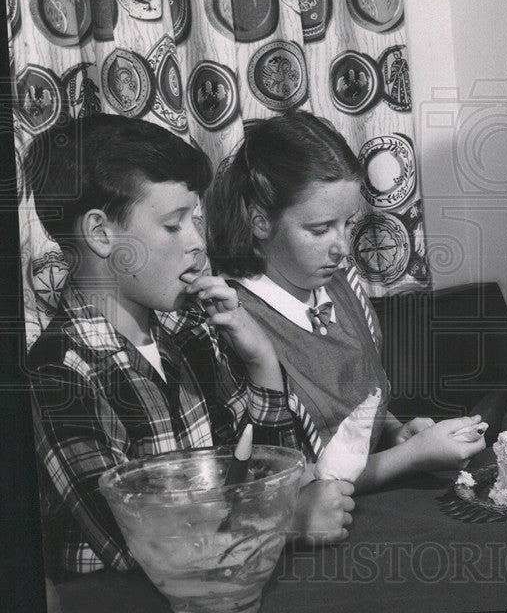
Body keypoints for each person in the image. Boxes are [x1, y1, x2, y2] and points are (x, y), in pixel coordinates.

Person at [24, 115, 354, 577]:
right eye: (174, 225)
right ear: (101, 234)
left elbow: (282, 474)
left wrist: (261, 362)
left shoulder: (190, 330)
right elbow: (135, 549)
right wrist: (285, 525)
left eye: (195, 222)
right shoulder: (58, 374)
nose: (198, 243)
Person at [205, 111, 485, 493]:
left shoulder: (343, 287)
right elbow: (271, 481)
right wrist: (412, 456)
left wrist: (395, 432)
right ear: (260, 222)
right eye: (319, 230)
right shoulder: (233, 318)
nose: (341, 248)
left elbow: (356, 409)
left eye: (349, 224)